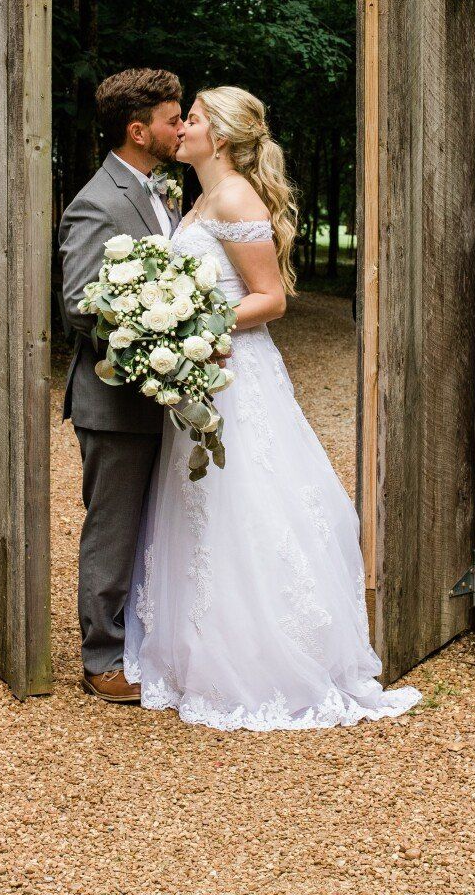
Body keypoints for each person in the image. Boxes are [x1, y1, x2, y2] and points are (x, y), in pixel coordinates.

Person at [123, 86, 420, 730]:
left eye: (194, 120)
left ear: (220, 137)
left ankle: (264, 657)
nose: (183, 128)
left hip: (235, 373)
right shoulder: (200, 197)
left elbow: (270, 298)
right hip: (204, 370)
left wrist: (193, 329)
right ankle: (200, 647)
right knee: (201, 504)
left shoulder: (232, 196)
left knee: (246, 500)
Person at [57, 68, 185, 703]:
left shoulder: (166, 190)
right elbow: (79, 304)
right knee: (113, 526)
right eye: (172, 119)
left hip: (166, 397)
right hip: (114, 401)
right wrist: (164, 321)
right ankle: (100, 657)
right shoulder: (96, 202)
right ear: (139, 132)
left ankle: (145, 639)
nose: (181, 127)